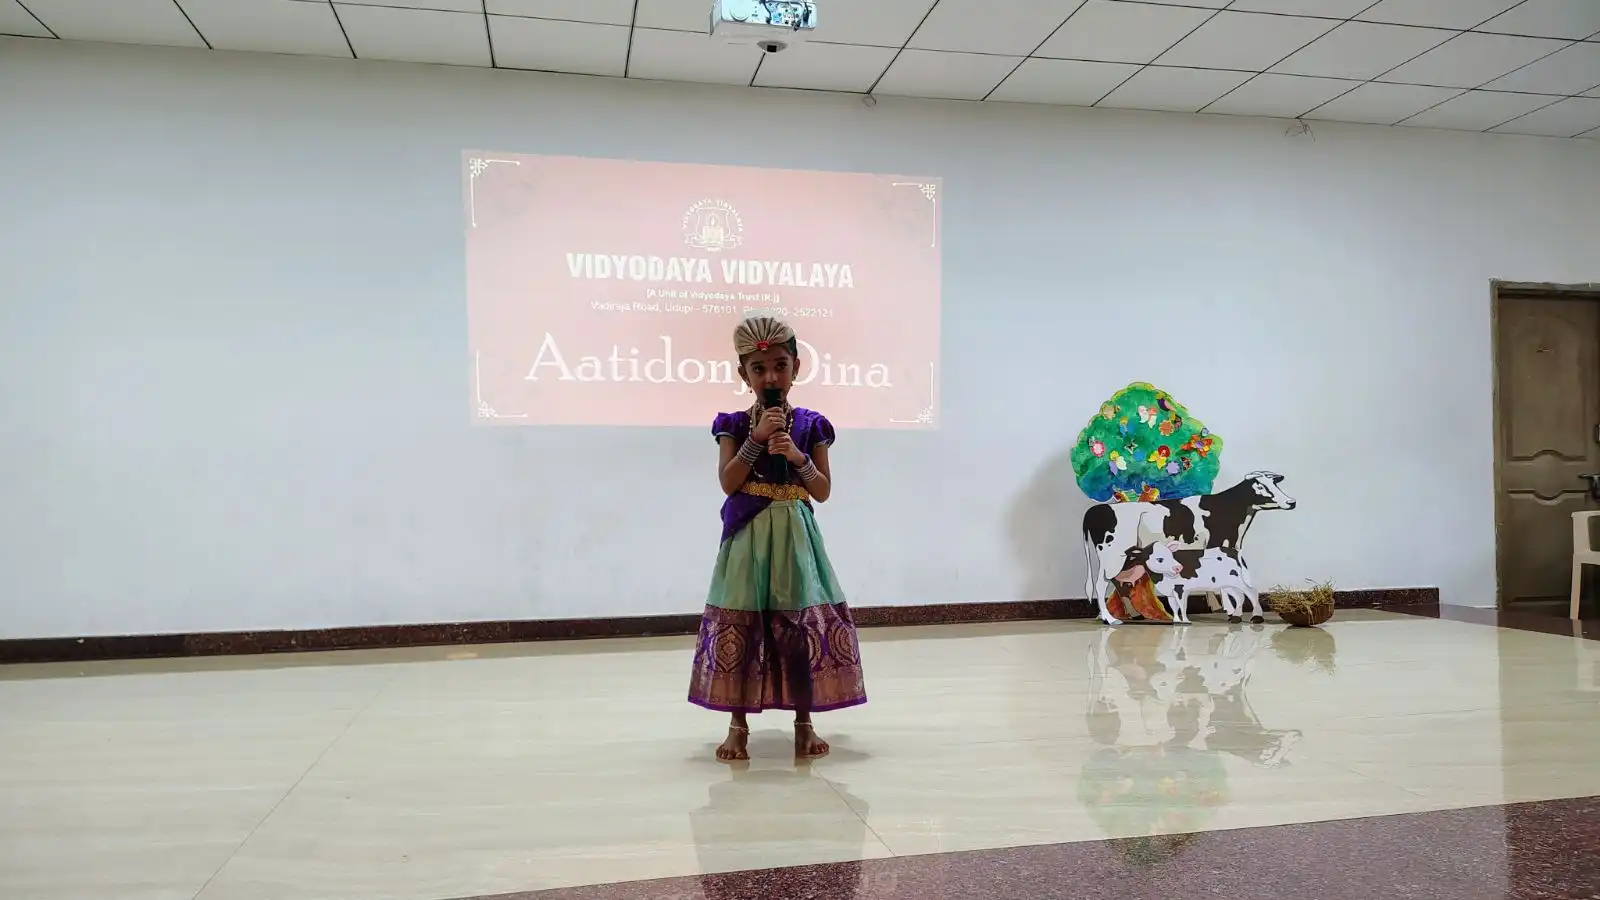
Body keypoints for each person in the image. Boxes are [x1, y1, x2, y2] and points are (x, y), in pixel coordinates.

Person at [687, 316, 867, 761]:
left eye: (780, 366)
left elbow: (821, 491)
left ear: (797, 367)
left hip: (795, 536)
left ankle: (804, 723)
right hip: (748, 536)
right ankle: (737, 726)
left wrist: (797, 455)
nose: (771, 377)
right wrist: (757, 440)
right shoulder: (731, 423)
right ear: (743, 374)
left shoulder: (811, 424)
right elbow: (729, 484)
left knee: (797, 627)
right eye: (759, 368)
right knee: (744, 623)